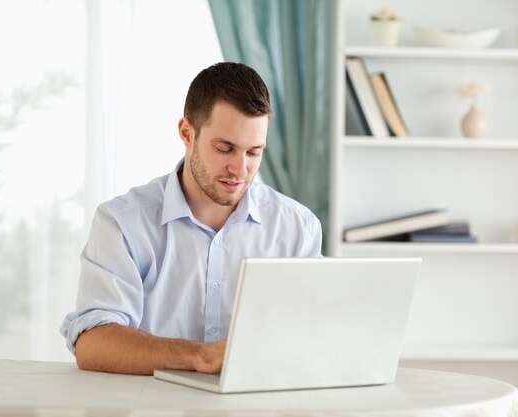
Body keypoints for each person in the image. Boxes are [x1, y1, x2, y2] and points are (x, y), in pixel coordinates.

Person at [60, 62, 322, 375]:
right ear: (187, 133)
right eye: (225, 148)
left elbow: (314, 332)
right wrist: (198, 357)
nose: (240, 170)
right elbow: (94, 343)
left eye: (254, 152)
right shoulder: (123, 223)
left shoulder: (297, 227)